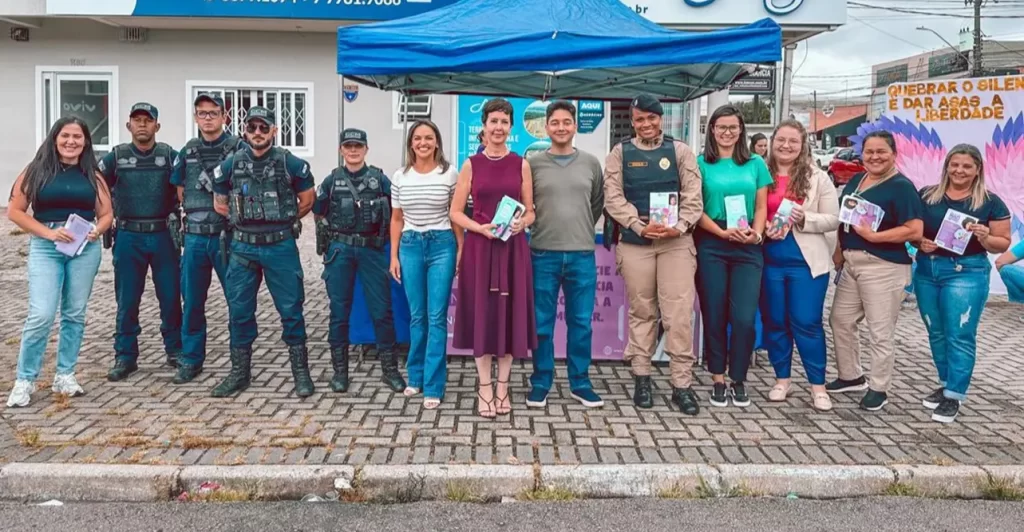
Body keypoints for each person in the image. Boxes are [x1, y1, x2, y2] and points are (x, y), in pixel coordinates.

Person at [604, 94, 704, 414]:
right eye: (639, 119)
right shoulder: (620, 153)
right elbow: (613, 197)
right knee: (642, 312)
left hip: (676, 243)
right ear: (632, 122)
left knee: (678, 315)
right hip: (637, 242)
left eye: (651, 118)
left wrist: (681, 225)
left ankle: (681, 384)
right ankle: (642, 377)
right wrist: (637, 224)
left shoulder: (680, 151)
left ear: (661, 119)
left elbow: (693, 196)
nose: (646, 124)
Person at [6, 117, 113, 407]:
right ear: (55, 138)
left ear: (86, 141)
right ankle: (25, 380)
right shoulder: (36, 170)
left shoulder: (93, 174)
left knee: (74, 313)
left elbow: (106, 214)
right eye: (65, 135)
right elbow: (15, 211)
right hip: (46, 247)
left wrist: (97, 230)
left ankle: (65, 375)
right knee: (41, 314)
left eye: (77, 136)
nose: (71, 141)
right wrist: (49, 233)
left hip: (84, 249)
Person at [211, 106, 316, 398]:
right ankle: (239, 373)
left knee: (291, 310)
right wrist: (244, 219)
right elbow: (220, 203)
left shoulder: (290, 163)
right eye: (252, 127)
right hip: (243, 248)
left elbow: (307, 200)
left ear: (274, 131)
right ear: (245, 131)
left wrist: (282, 219)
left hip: (280, 246)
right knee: (239, 311)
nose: (257, 132)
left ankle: (301, 373)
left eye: (263, 127)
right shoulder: (231, 164)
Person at [450, 97, 537, 418]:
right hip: (480, 249)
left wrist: (521, 223)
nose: (498, 127)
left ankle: (503, 387)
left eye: (504, 122)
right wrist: (479, 228)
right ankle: (484, 387)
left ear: (510, 127)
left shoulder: (521, 164)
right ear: (484, 126)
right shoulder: (471, 164)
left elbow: (531, 211)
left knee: (509, 316)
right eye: (493, 121)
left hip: (512, 250)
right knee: (483, 316)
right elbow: (455, 212)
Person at [913, 144, 1010, 423]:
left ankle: (955, 395)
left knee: (959, 334)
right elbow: (912, 231)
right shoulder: (927, 195)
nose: (959, 170)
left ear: (978, 169)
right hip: (927, 270)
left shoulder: (990, 202)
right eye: (954, 164)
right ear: (946, 166)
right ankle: (946, 384)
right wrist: (919, 242)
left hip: (965, 271)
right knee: (936, 331)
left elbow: (1001, 243)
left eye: (967, 166)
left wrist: (985, 237)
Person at [828, 130, 923, 411]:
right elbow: (845, 219)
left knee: (880, 330)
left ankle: (879, 388)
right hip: (852, 263)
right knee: (840, 319)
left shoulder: (902, 186)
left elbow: (914, 230)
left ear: (894, 154)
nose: (874, 157)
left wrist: (875, 237)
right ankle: (851, 375)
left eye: (881, 151)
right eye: (869, 151)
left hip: (884, 266)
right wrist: (839, 251)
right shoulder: (857, 180)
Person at [526, 100, 605, 409]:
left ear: (575, 126)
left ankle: (580, 383)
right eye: (555, 122)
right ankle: (541, 381)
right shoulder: (532, 165)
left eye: (566, 122)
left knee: (581, 323)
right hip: (542, 254)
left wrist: (578, 229)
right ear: (546, 127)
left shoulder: (591, 163)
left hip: (581, 255)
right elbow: (526, 205)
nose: (561, 127)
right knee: (541, 324)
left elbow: (596, 204)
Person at [314, 128, 406, 395]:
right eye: (348, 146)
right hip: (340, 251)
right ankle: (340, 372)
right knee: (339, 312)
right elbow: (318, 212)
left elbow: (397, 212)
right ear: (341, 150)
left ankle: (390, 370)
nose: (353, 150)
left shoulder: (380, 180)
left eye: (358, 146)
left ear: (366, 149)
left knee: (382, 310)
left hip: (372, 251)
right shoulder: (332, 180)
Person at [98, 102, 183, 382]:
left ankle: (175, 350)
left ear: (157, 126)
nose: (142, 124)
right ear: (129, 125)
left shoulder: (170, 156)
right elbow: (96, 187)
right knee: (127, 299)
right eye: (137, 120)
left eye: (148, 120)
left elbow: (185, 188)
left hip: (163, 236)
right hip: (128, 237)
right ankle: (125, 356)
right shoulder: (116, 157)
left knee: (170, 297)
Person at [760, 120, 839, 412]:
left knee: (807, 322)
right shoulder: (760, 172)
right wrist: (761, 226)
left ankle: (818, 386)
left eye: (793, 141)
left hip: (806, 264)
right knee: (776, 322)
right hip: (768, 261)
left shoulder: (819, 178)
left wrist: (804, 218)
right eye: (781, 140)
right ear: (773, 142)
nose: (786, 146)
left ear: (803, 144)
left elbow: (833, 219)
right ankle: (782, 379)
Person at [696, 104, 771, 408]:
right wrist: (720, 232)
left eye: (733, 127)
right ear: (712, 130)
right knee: (714, 313)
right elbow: (695, 208)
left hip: (748, 244)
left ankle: (738, 378)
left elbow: (762, 206)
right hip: (712, 241)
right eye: (721, 127)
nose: (727, 132)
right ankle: (717, 378)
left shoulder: (755, 163)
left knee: (743, 318)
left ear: (741, 131)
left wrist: (757, 234)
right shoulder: (700, 163)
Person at [170, 94, 246, 384]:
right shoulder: (188, 151)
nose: (208, 118)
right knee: (192, 302)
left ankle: (239, 363)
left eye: (213, 113)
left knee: (236, 301)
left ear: (225, 116)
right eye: (202, 113)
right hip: (195, 239)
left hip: (228, 237)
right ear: (195, 117)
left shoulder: (239, 149)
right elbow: (180, 191)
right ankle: (191, 360)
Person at [387, 120, 461, 409]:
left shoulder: (449, 173)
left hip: (442, 245)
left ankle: (433, 384)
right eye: (417, 138)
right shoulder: (400, 176)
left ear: (437, 142)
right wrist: (394, 256)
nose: (423, 143)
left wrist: (461, 250)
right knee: (417, 316)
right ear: (411, 144)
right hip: (410, 246)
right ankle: (415, 376)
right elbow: (396, 219)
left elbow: (455, 215)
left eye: (428, 138)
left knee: (436, 317)